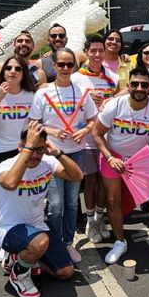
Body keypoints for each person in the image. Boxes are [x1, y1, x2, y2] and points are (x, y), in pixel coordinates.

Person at [92, 67, 149, 268]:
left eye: (144, 84)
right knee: (113, 199)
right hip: (113, 156)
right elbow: (96, 134)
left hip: (140, 159)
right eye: (135, 84)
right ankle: (119, 242)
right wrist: (109, 158)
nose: (139, 88)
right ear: (128, 86)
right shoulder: (115, 105)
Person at [0, 121, 83, 297]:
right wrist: (29, 147)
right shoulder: (5, 166)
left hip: (37, 227)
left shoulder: (48, 163)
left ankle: (23, 260)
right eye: (31, 149)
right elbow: (11, 183)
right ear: (20, 147)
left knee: (66, 272)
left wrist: (57, 153)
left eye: (40, 150)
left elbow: (77, 176)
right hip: (9, 229)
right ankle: (19, 274)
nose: (35, 155)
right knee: (40, 242)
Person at [29, 48, 98, 263]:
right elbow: (34, 123)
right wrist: (52, 132)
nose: (65, 68)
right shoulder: (43, 92)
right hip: (51, 155)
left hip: (75, 153)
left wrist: (84, 131)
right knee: (56, 205)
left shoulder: (81, 91)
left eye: (70, 65)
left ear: (74, 67)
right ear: (55, 66)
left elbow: (92, 119)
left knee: (71, 203)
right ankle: (55, 243)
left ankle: (67, 243)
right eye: (61, 64)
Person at [0, 57, 37, 245]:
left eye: (18, 68)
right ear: (2, 72)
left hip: (22, 148)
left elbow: (33, 124)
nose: (13, 71)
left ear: (23, 73)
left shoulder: (30, 95)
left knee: (24, 186)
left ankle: (22, 222)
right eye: (8, 68)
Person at [72, 33, 120, 243]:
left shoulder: (113, 77)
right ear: (86, 53)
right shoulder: (76, 78)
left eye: (101, 50)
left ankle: (100, 217)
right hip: (86, 138)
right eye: (93, 51)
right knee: (90, 181)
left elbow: (117, 104)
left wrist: (110, 98)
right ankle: (90, 221)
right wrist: (85, 99)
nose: (98, 54)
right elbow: (69, 107)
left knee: (104, 181)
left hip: (109, 138)